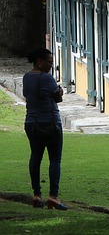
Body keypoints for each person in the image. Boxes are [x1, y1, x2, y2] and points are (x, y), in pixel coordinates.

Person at [23, 46, 68, 210]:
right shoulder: (47, 78)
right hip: (50, 122)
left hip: (31, 122)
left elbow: (28, 96)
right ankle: (53, 196)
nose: (51, 65)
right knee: (55, 159)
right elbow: (57, 98)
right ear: (39, 62)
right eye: (49, 62)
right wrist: (60, 92)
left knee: (35, 156)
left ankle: (36, 194)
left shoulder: (26, 77)